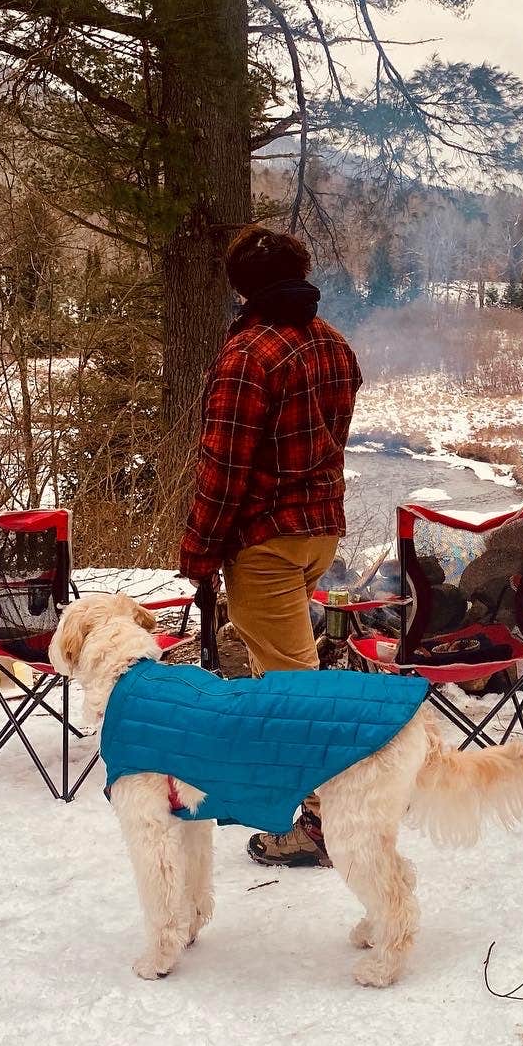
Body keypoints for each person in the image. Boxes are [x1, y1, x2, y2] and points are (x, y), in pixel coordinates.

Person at [179, 223, 362, 866]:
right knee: (289, 673)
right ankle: (289, 792)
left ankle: (321, 826)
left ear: (242, 288)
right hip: (320, 533)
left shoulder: (247, 358)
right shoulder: (333, 344)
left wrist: (199, 552)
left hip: (268, 545)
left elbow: (222, 473)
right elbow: (327, 439)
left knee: (295, 690)